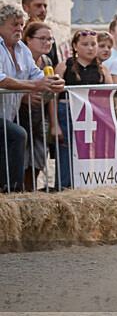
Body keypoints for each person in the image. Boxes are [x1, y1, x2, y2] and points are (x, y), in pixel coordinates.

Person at [0, 5, 64, 192]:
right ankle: (14, 190)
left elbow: (35, 74)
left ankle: (7, 190)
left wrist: (53, 82)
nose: (20, 29)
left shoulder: (22, 49)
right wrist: (34, 86)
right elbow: (1, 79)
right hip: (4, 117)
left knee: (9, 145)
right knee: (18, 135)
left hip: (6, 115)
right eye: (15, 25)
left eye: (21, 25)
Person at [54, 30, 112, 189]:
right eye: (85, 44)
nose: (90, 48)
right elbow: (53, 98)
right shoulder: (63, 67)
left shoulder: (103, 70)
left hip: (94, 119)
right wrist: (54, 124)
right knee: (66, 155)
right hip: (66, 116)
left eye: (94, 44)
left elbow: (111, 98)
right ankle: (63, 190)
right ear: (75, 46)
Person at [18, 22, 58, 190]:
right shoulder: (18, 57)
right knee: (20, 160)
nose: (47, 43)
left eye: (49, 39)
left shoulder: (47, 61)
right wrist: (23, 96)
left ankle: (31, 191)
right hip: (20, 116)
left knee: (37, 160)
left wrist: (54, 124)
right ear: (28, 39)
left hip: (40, 118)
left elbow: (52, 95)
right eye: (42, 38)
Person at [22, 0, 59, 67]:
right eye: (38, 6)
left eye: (45, 6)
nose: (43, 10)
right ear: (25, 8)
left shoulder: (49, 35)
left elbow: (54, 64)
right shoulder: (17, 36)